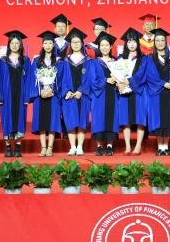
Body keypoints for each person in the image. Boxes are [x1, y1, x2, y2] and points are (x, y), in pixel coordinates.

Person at [144, 27, 170, 156]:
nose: (160, 43)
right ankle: (160, 147)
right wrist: (163, 84)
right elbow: (149, 75)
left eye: (162, 40)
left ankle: (166, 146)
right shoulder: (149, 58)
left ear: (166, 42)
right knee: (158, 119)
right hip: (157, 93)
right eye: (157, 40)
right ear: (154, 43)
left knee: (168, 118)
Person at [0, 30, 32, 157]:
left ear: (20, 45)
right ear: (8, 44)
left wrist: (27, 96)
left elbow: (29, 79)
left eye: (17, 43)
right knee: (6, 119)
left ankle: (17, 147)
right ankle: (7, 147)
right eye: (12, 43)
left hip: (21, 95)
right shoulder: (2, 61)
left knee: (20, 119)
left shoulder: (26, 60)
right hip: (6, 95)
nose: (15, 45)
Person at [59, 27, 93, 155]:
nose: (76, 44)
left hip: (82, 95)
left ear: (82, 43)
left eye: (78, 42)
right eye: (73, 42)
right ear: (70, 44)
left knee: (82, 120)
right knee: (70, 120)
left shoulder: (88, 60)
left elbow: (89, 78)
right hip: (69, 95)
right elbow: (62, 79)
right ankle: (72, 146)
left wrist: (81, 91)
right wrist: (66, 91)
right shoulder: (65, 61)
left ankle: (80, 146)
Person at [29, 31, 62, 157]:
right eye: (46, 43)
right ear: (42, 45)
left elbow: (61, 79)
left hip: (53, 95)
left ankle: (50, 148)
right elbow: (32, 79)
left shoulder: (59, 61)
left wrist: (52, 90)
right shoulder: (36, 60)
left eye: (50, 43)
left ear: (54, 45)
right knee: (41, 121)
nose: (48, 45)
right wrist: (40, 92)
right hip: (40, 95)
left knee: (53, 120)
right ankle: (43, 147)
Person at [117, 27, 148, 155]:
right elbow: (116, 73)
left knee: (140, 119)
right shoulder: (120, 58)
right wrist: (119, 83)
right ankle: (128, 146)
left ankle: (138, 146)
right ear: (126, 43)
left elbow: (142, 74)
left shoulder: (143, 58)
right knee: (126, 120)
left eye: (134, 41)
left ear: (138, 43)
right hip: (124, 92)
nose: (132, 44)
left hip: (139, 92)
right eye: (129, 42)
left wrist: (129, 81)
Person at [89, 31, 120, 156]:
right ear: (99, 47)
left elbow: (122, 77)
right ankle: (99, 146)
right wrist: (106, 80)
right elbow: (92, 80)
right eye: (102, 45)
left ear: (111, 46)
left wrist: (119, 81)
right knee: (99, 118)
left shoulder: (116, 62)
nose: (104, 47)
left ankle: (109, 145)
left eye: (107, 45)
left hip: (113, 94)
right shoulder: (94, 62)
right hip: (99, 95)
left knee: (112, 117)